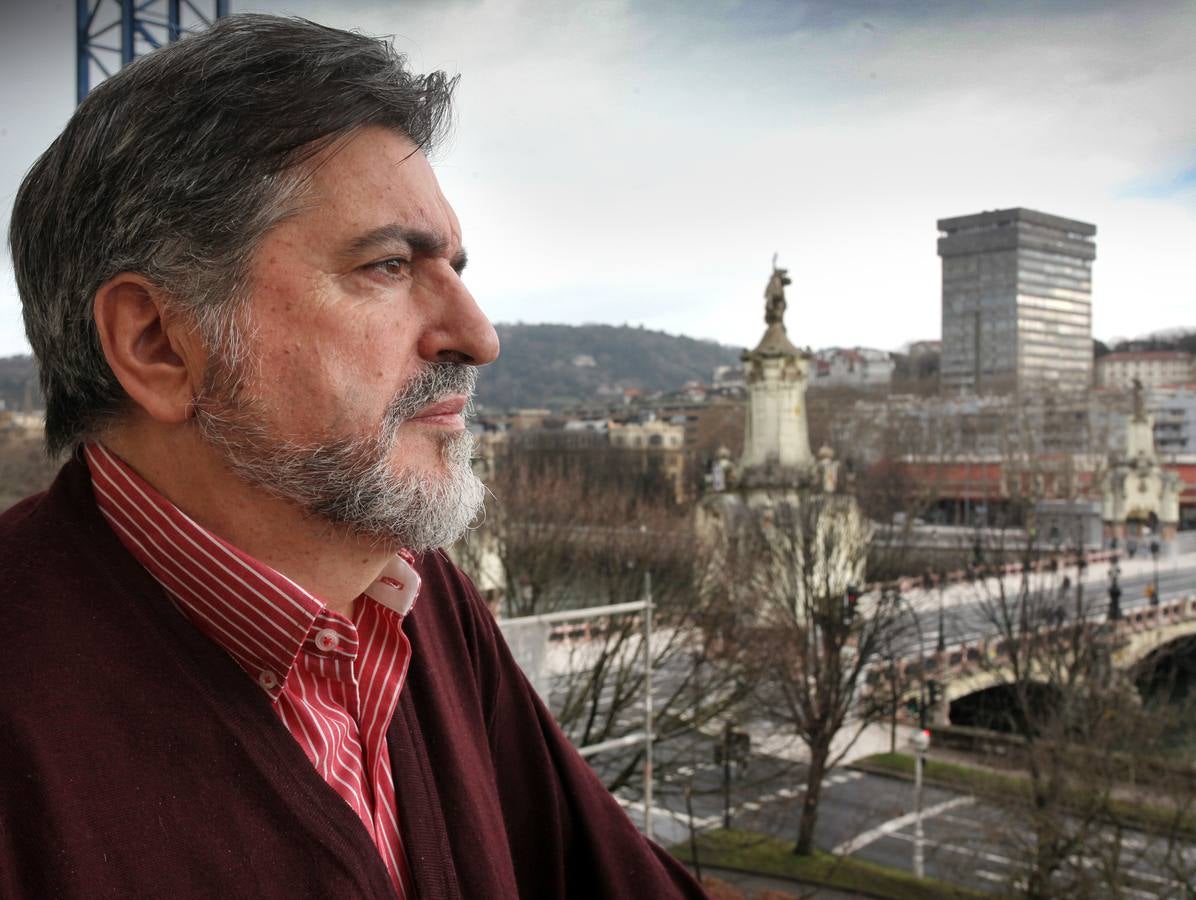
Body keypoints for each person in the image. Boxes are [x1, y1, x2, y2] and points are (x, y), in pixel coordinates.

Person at [0, 15, 706, 900]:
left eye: (452, 265)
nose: (478, 337)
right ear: (156, 345)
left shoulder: (420, 599)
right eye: (385, 266)